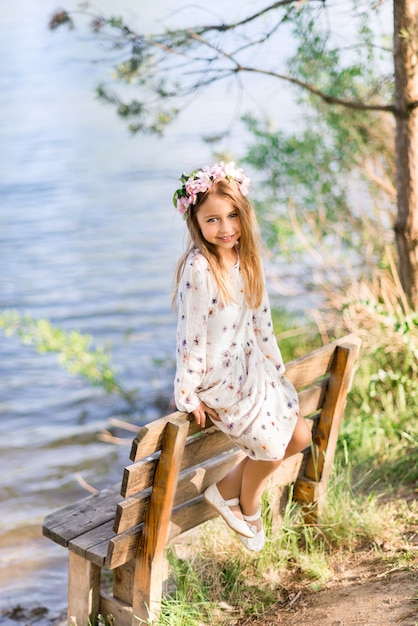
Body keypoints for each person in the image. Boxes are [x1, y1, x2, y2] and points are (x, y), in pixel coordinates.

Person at [172, 161, 311, 551]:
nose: (225, 227)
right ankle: (248, 505)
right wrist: (188, 395)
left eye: (232, 215)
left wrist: (277, 372)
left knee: (298, 435)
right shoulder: (199, 269)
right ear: (196, 223)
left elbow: (261, 322)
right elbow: (190, 337)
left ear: (244, 213)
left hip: (253, 370)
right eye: (212, 219)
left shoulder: (246, 259)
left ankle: (227, 490)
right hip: (220, 382)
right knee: (271, 446)